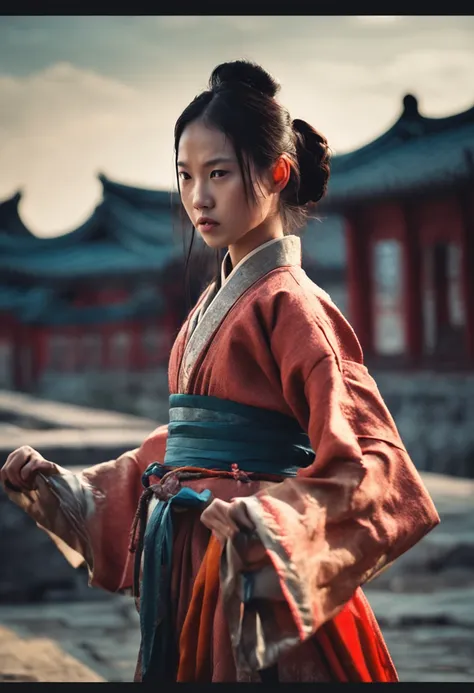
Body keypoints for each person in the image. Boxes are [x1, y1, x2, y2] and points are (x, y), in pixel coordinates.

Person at [1, 60, 440, 683]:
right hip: (192, 566)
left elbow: (375, 462)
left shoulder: (295, 306)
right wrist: (71, 489)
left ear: (276, 173)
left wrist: (273, 522)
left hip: (253, 573)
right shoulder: (210, 304)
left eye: (219, 174)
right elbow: (183, 449)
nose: (198, 198)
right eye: (185, 176)